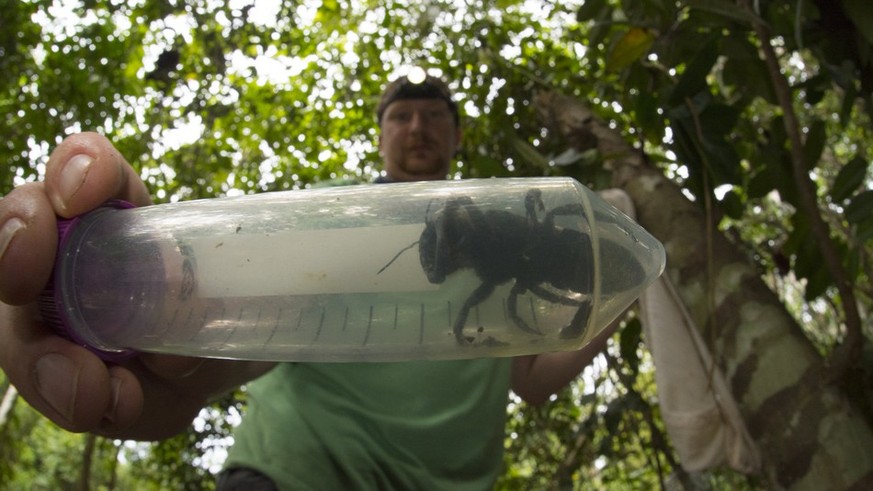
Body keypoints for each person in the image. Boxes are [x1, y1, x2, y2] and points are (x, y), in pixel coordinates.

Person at [0, 73, 617, 489]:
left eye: (434, 116)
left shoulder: (510, 218)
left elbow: (532, 379)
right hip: (295, 472)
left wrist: (620, 290)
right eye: (400, 116)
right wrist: (177, 348)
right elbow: (255, 328)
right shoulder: (332, 210)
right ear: (381, 137)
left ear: (457, 135)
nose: (417, 128)